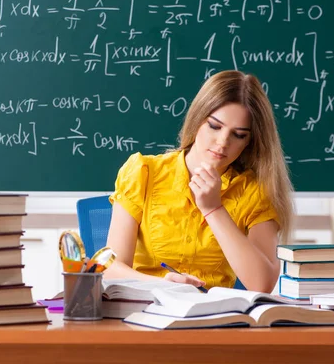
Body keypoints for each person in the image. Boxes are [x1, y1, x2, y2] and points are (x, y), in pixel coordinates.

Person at [104, 70, 294, 293]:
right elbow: (109, 268)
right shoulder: (143, 172)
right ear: (197, 120)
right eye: (215, 126)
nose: (223, 142)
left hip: (213, 316)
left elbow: (262, 284)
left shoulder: (256, 191)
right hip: (146, 309)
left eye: (239, 135)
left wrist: (213, 209)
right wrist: (160, 284)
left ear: (250, 142)